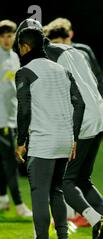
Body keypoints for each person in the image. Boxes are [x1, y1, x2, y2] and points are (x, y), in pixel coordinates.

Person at [15, 19, 103, 239]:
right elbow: (96, 81)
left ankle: (96, 220)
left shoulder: (45, 57)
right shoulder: (74, 49)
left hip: (82, 120)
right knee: (83, 181)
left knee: (65, 181)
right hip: (99, 115)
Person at [15, 27, 85, 239]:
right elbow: (80, 103)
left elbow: (24, 111)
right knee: (56, 191)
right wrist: (73, 137)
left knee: (39, 194)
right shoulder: (62, 70)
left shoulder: (25, 72)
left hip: (43, 142)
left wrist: (21, 141)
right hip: (64, 141)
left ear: (25, 47)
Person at [0, 20, 32, 216]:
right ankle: (19, 205)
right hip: (2, 120)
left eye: (10, 35)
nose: (6, 39)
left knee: (5, 161)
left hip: (12, 118)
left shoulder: (15, 58)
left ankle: (3, 198)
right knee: (11, 162)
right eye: (3, 36)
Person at [43, 17, 103, 99]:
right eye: (54, 44)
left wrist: (97, 102)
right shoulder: (47, 55)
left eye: (58, 43)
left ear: (70, 35)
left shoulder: (84, 52)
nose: (59, 47)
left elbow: (98, 80)